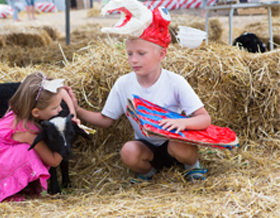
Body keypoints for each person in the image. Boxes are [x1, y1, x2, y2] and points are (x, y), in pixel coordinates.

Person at [66, 5, 210, 183]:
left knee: (179, 146)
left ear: (161, 54)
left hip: (174, 142)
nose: (134, 60)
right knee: (128, 152)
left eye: (141, 53)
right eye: (129, 54)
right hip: (146, 147)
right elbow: (105, 120)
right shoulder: (123, 84)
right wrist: (77, 110)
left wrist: (182, 122)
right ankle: (149, 172)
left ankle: (192, 166)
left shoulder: (175, 82)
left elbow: (204, 118)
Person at [0, 72, 79, 202]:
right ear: (36, 112)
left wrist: (73, 113)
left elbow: (62, 92)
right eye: (55, 107)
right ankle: (5, 189)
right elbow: (53, 160)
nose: (60, 110)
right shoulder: (27, 132)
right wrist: (65, 133)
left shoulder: (21, 112)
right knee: (28, 152)